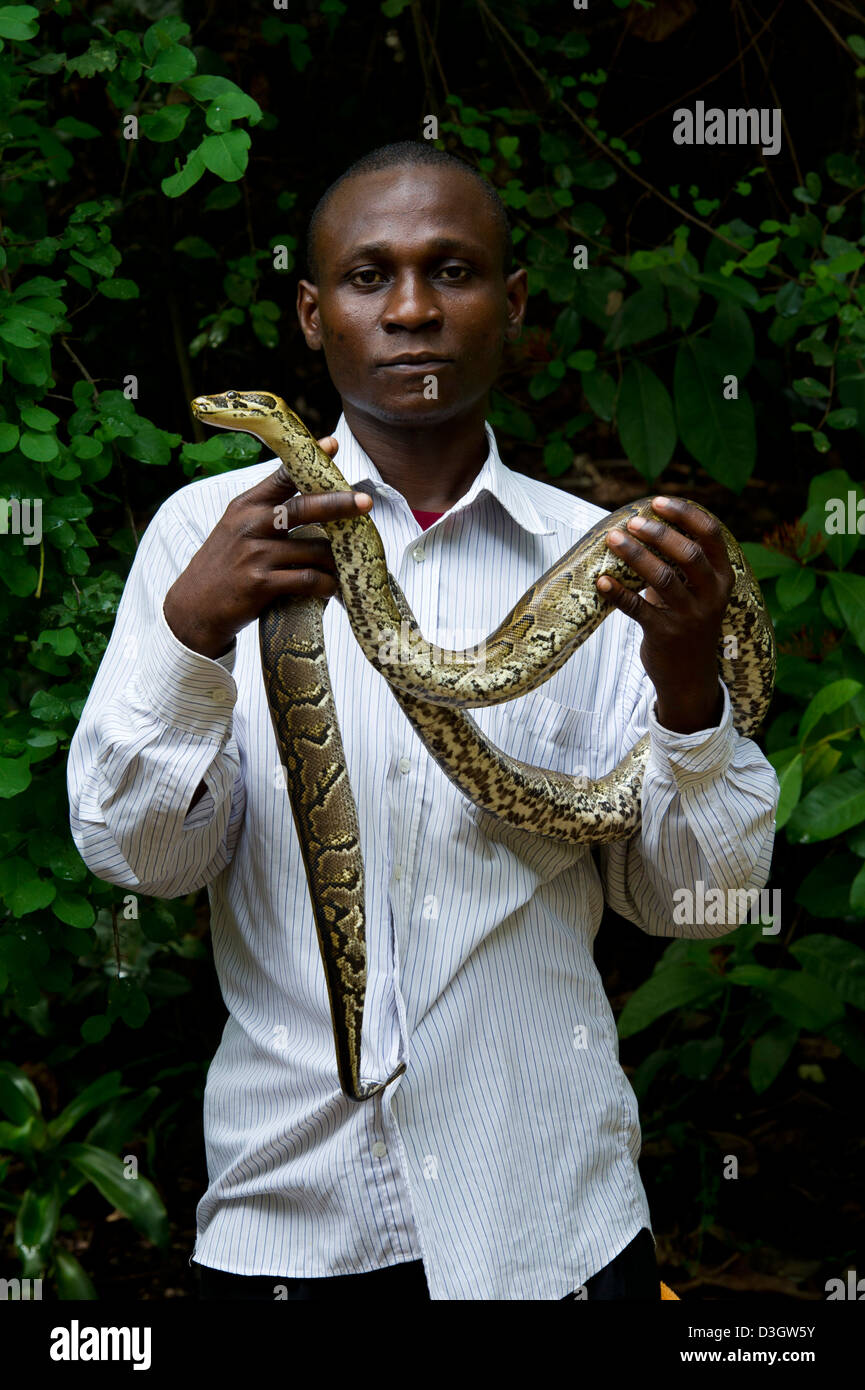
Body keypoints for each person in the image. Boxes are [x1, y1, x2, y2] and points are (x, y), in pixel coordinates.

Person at [67, 140, 779, 1301]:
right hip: (289, 1221)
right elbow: (144, 860)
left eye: (449, 272)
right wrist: (194, 632)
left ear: (510, 305)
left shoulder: (608, 565)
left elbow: (697, 906)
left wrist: (688, 685)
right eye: (367, 277)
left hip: (550, 1224)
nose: (410, 310)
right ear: (311, 312)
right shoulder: (211, 538)